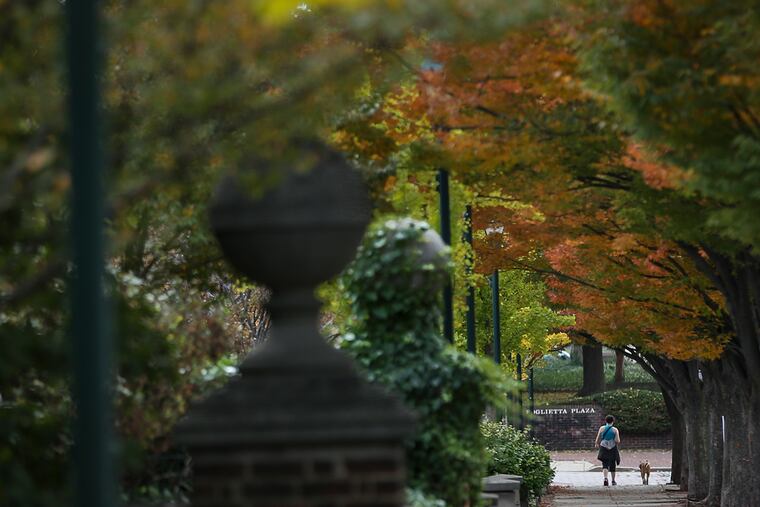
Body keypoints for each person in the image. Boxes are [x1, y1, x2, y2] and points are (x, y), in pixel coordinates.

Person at [595, 415, 621, 486]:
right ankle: (613, 480)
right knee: (613, 463)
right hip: (612, 447)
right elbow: (617, 440)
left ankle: (605, 478)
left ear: (606, 421)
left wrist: (597, 443)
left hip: (603, 446)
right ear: (613, 421)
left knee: (605, 463)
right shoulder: (615, 430)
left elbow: (598, 438)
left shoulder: (602, 428)